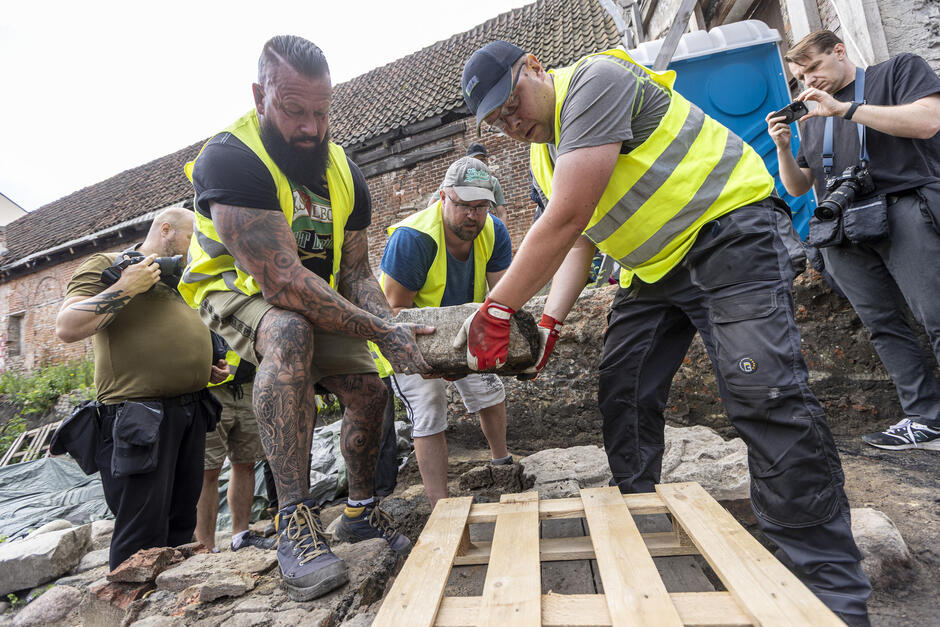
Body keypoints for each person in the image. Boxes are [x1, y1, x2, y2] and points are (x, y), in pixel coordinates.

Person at [456, 41, 872, 623]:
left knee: (764, 394)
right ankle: (639, 515)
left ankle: (831, 589)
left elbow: (569, 214)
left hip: (730, 232)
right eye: (497, 120)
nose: (511, 120)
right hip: (655, 271)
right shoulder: (542, 157)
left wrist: (497, 310)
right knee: (622, 388)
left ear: (534, 66)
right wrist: (550, 320)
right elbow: (581, 241)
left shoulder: (596, 80)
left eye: (512, 102)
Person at [178, 35, 431, 601]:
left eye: (321, 112)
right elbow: (282, 282)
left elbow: (359, 274)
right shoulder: (232, 157)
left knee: (369, 386)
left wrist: (388, 327)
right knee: (288, 332)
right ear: (259, 96)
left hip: (310, 292)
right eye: (294, 110)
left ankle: (361, 511)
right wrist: (381, 330)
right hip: (235, 289)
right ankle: (295, 519)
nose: (311, 128)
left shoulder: (344, 170)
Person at [767, 30, 940, 452]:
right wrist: (784, 149)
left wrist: (844, 110)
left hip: (903, 206)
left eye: (814, 68)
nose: (809, 82)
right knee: (883, 326)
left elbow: (926, 122)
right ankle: (925, 419)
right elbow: (797, 187)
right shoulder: (811, 113)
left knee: (937, 316)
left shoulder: (897, 70)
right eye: (799, 76)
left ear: (839, 51)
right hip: (841, 226)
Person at [55, 207, 226, 570]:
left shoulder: (182, 275)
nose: (197, 247)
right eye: (192, 238)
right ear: (166, 230)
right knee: (141, 532)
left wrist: (201, 366)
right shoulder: (108, 265)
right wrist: (125, 287)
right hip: (139, 418)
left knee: (181, 523)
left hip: (191, 410)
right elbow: (67, 327)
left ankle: (168, 605)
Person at [380, 156, 513, 509]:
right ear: (443, 196)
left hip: (464, 323)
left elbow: (503, 296)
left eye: (481, 206)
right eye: (463, 205)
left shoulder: (494, 231)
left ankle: (502, 465)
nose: (472, 215)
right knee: (429, 406)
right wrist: (429, 361)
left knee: (489, 387)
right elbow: (393, 311)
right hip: (412, 332)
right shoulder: (413, 239)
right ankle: (441, 504)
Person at [194, 334, 276, 552]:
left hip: (247, 385)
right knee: (208, 470)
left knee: (246, 462)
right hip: (211, 390)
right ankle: (205, 547)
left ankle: (241, 535)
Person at [464, 143, 509, 223]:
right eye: (474, 160)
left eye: (481, 160)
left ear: (486, 161)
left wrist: (503, 233)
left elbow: (501, 213)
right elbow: (434, 202)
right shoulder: (458, 179)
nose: (478, 164)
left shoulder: (493, 182)